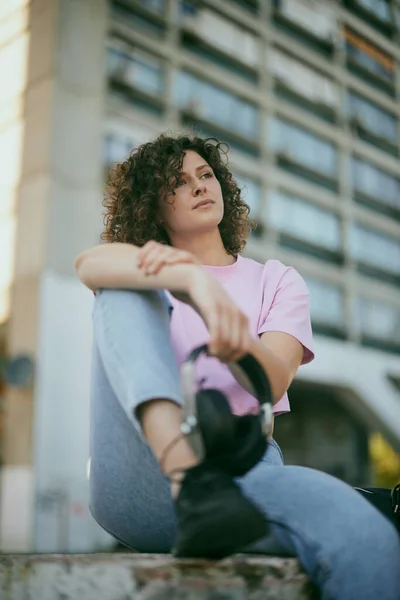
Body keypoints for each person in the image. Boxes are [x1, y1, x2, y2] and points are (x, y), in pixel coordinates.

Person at [75, 134, 400, 599]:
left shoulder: (276, 280)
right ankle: (191, 483)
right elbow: (89, 264)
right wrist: (190, 279)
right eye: (178, 182)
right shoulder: (145, 267)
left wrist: (235, 341)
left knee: (367, 536)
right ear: (153, 204)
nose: (199, 186)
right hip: (144, 478)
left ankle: (208, 495)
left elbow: (273, 380)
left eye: (206, 175)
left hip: (241, 475)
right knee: (124, 286)